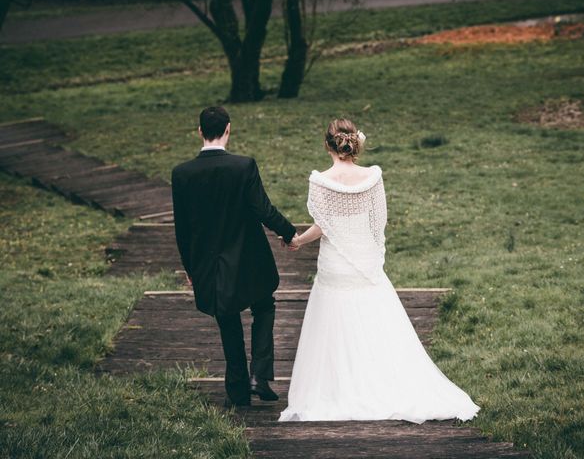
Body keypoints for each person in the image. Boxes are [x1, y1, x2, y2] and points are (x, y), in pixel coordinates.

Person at [278, 118, 480, 423]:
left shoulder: (320, 181)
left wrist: (297, 241)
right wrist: (369, 254)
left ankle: (338, 389)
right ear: (354, 142)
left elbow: (322, 225)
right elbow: (378, 222)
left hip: (334, 265)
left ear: (327, 145)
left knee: (333, 328)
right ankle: (380, 380)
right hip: (365, 262)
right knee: (376, 322)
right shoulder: (372, 177)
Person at [171, 106, 298, 407]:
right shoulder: (243, 166)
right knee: (264, 304)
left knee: (226, 319)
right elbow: (262, 209)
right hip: (249, 257)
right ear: (229, 129)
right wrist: (289, 233)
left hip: (210, 264)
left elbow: (182, 228)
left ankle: (238, 389)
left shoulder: (182, 174)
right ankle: (260, 374)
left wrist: (190, 267)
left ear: (199, 131)